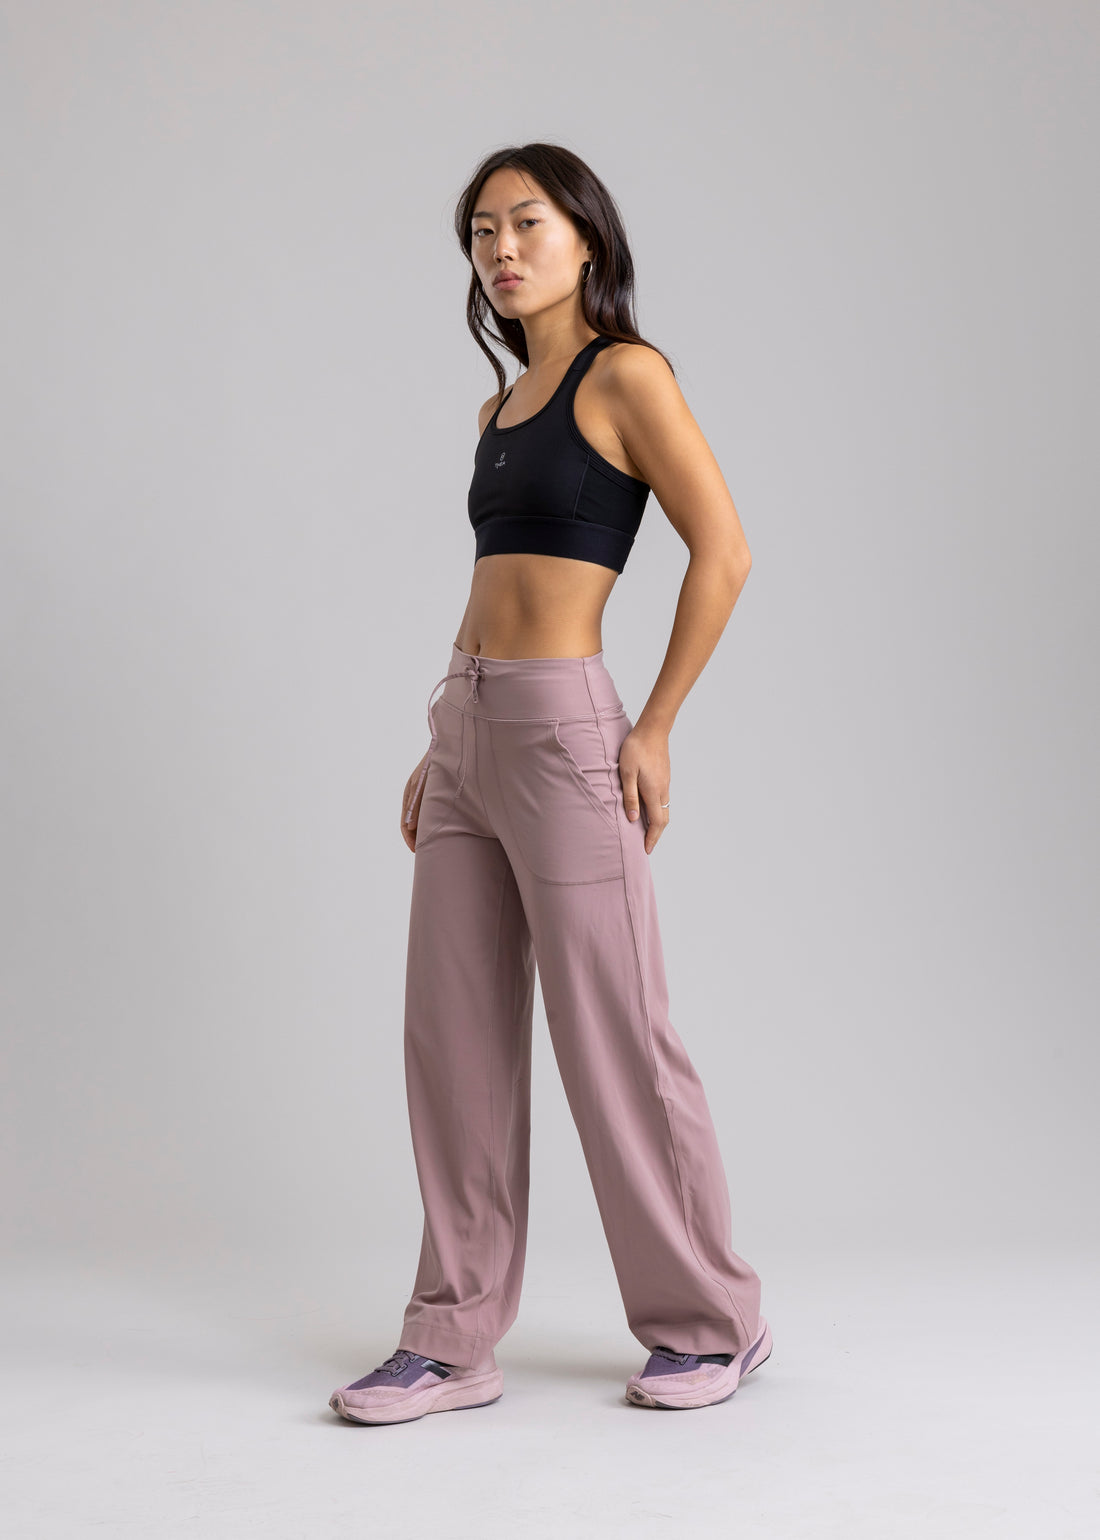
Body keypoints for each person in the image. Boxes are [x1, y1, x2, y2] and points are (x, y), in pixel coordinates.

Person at [329, 143, 771, 1426]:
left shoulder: (624, 375)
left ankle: (710, 1321)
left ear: (586, 237)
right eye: (481, 232)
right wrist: (442, 740)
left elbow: (723, 552)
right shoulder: (498, 412)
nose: (502, 250)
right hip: (468, 727)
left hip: (569, 733)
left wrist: (656, 725)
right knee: (452, 1039)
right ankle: (450, 1337)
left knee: (612, 1030)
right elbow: (495, 586)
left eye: (526, 223)